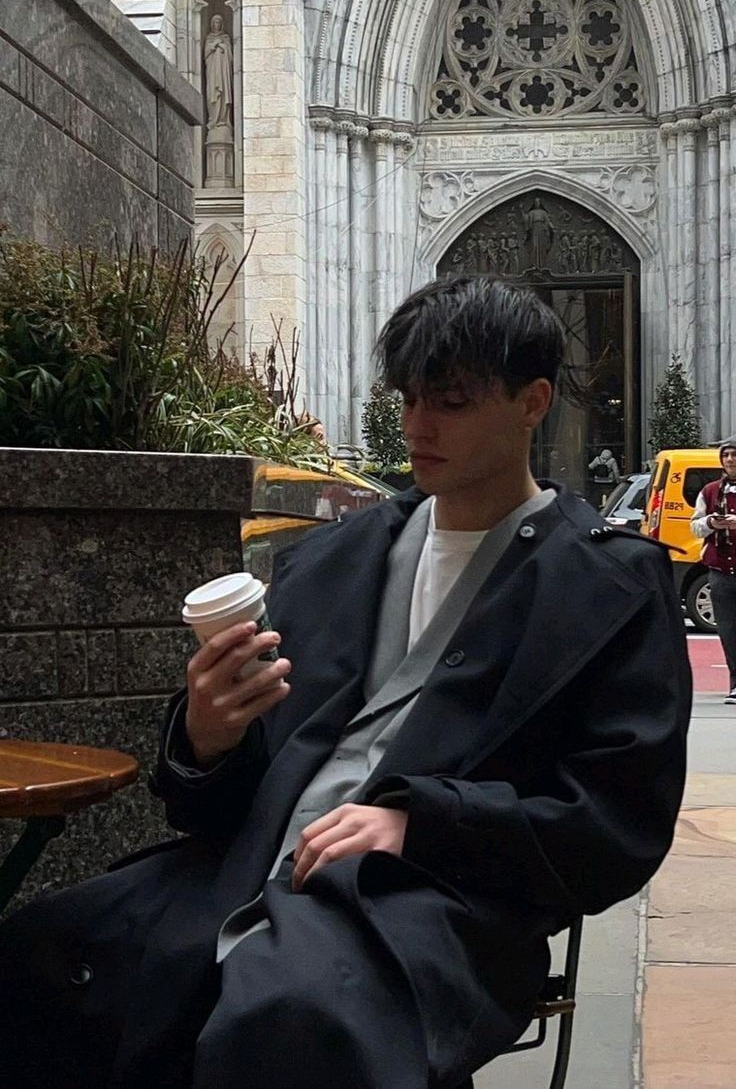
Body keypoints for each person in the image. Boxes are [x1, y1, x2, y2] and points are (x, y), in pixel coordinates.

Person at [0, 277, 691, 1089]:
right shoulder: (334, 557)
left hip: (431, 901)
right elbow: (214, 804)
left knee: (287, 1020)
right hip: (241, 870)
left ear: (533, 402)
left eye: (452, 402)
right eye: (409, 398)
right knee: (40, 955)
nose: (418, 426)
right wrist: (208, 737)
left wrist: (421, 825)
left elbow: (616, 828)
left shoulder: (608, 586)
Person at [691, 437, 736, 704]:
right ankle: (735, 683)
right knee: (728, 630)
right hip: (720, 570)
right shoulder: (710, 491)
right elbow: (695, 526)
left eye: (734, 454)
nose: (730, 459)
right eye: (726, 455)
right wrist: (710, 522)